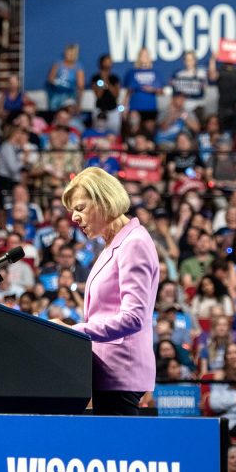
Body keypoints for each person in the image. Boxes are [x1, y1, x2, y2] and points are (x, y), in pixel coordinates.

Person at [60, 167, 159, 416]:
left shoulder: (133, 243)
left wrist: (72, 332)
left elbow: (133, 317)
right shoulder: (113, 245)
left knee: (121, 451)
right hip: (107, 372)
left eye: (80, 208)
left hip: (121, 372)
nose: (74, 218)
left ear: (104, 200)